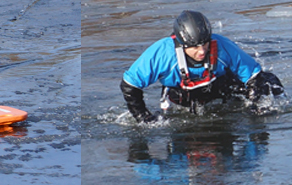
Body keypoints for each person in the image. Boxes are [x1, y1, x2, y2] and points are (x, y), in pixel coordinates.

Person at [121, 11, 283, 121]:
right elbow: (130, 86)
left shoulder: (222, 46)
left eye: (205, 44)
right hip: (182, 96)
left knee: (269, 83)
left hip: (220, 87)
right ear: (182, 43)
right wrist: (144, 118)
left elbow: (254, 76)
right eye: (195, 46)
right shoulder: (162, 53)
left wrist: (256, 107)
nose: (202, 51)